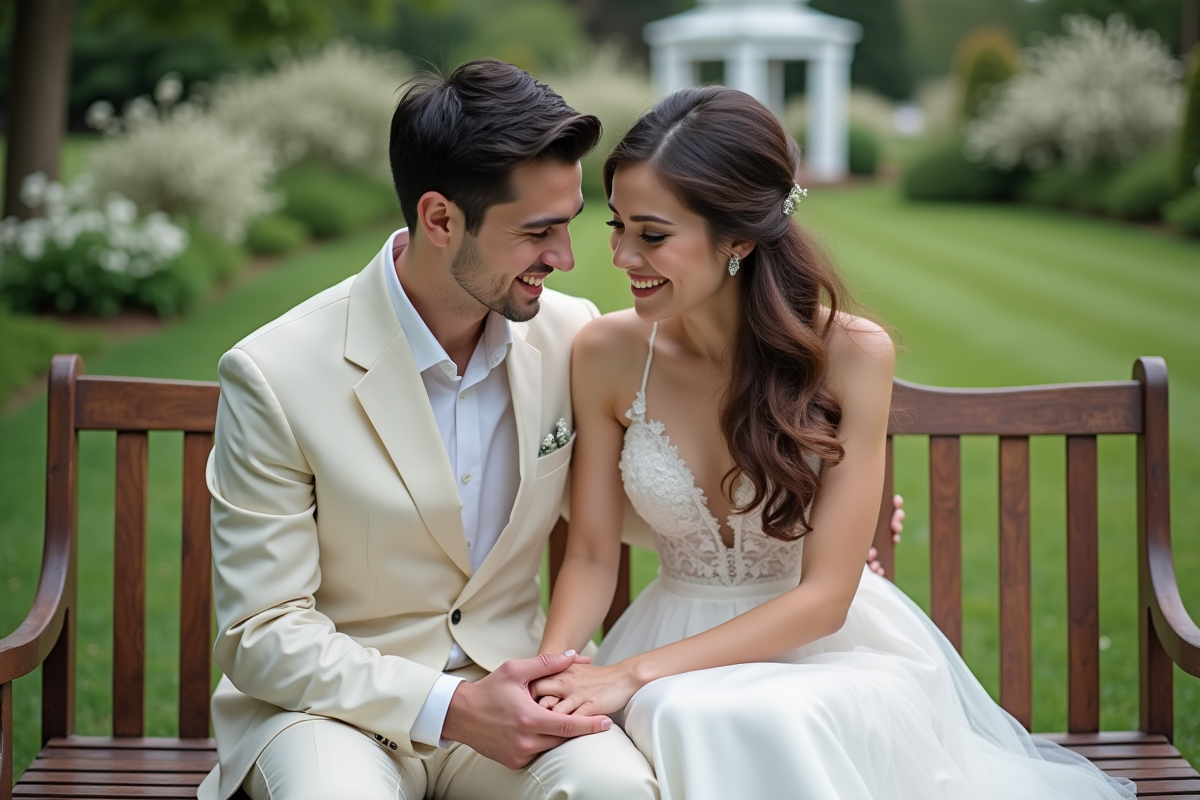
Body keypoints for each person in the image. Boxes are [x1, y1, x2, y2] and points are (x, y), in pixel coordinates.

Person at [533, 86, 1136, 800]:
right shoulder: (606, 351)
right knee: (678, 708)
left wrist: (631, 674)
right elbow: (595, 554)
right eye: (618, 225)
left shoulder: (852, 354)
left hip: (825, 651)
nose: (623, 255)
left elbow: (826, 598)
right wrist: (550, 673)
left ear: (740, 238)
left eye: (653, 234)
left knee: (693, 708)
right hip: (667, 632)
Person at [197, 59, 660, 800]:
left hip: (519, 690)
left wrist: (791, 525)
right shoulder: (275, 372)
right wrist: (449, 708)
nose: (566, 259)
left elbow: (638, 506)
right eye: (537, 231)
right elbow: (261, 631)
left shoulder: (574, 336)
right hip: (331, 715)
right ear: (441, 218)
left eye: (569, 225)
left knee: (614, 790)